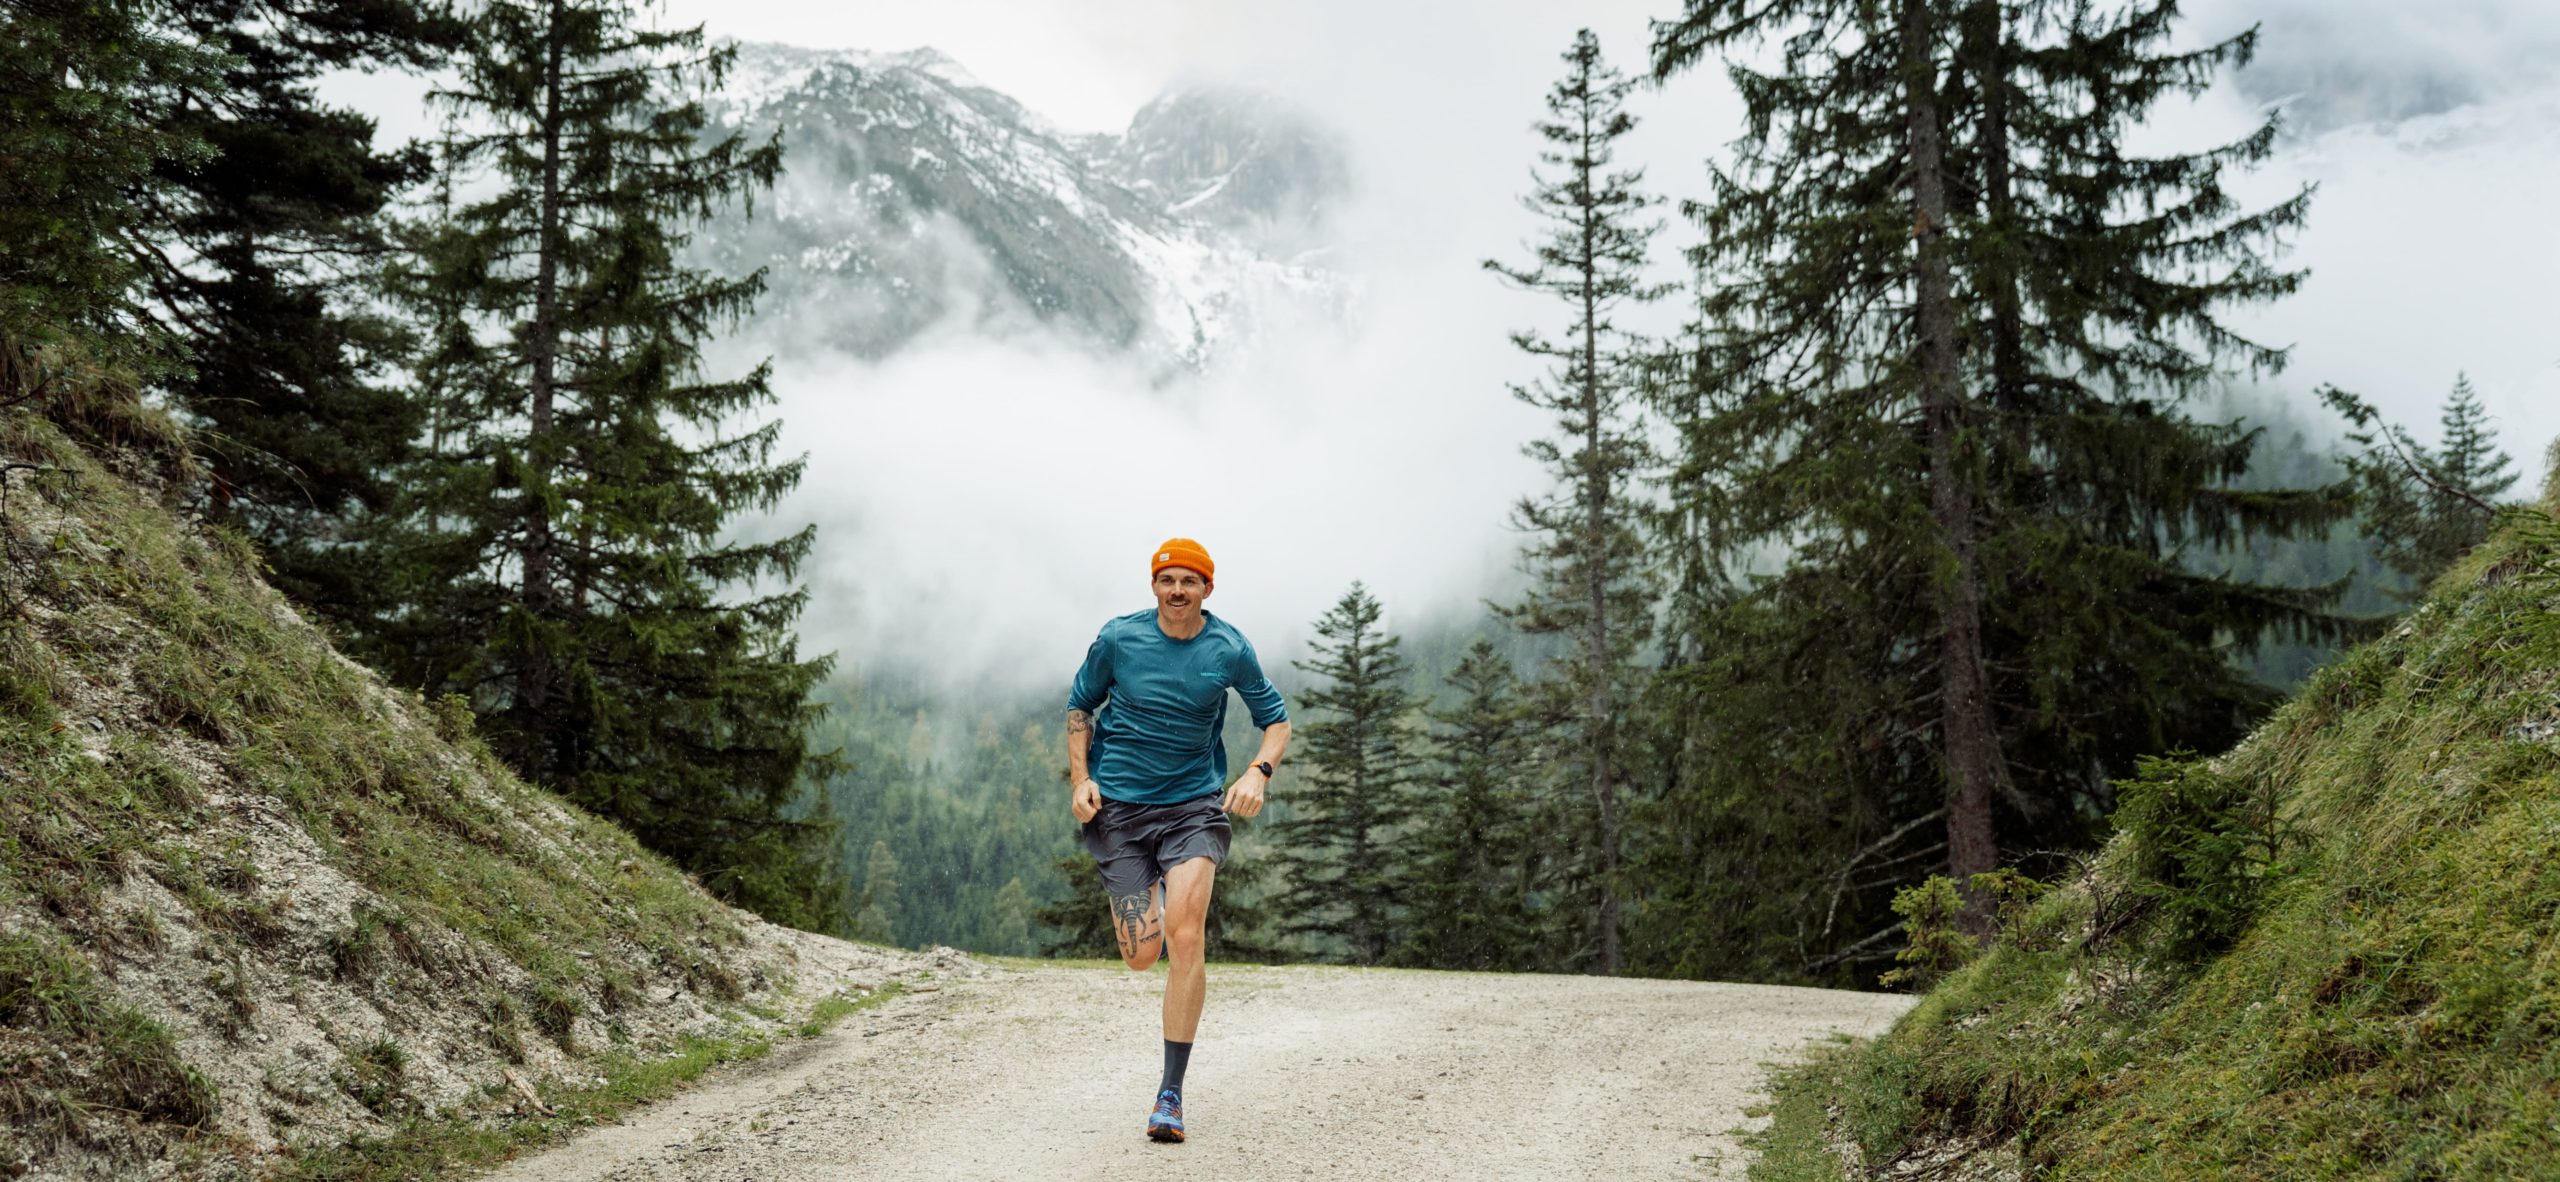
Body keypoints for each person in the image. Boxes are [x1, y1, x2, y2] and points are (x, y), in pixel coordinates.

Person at [1067, 537, 1292, 1144]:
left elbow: (1277, 720)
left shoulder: (1229, 647)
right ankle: (1152, 894)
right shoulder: (1118, 638)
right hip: (1119, 808)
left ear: (1206, 590)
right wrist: (1081, 779)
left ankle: (1170, 1095)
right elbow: (1080, 707)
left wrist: (1257, 772)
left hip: (1193, 807)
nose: (1176, 590)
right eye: (1167, 579)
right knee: (1142, 956)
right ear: (1154, 586)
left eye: (1189, 581)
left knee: (1186, 935)